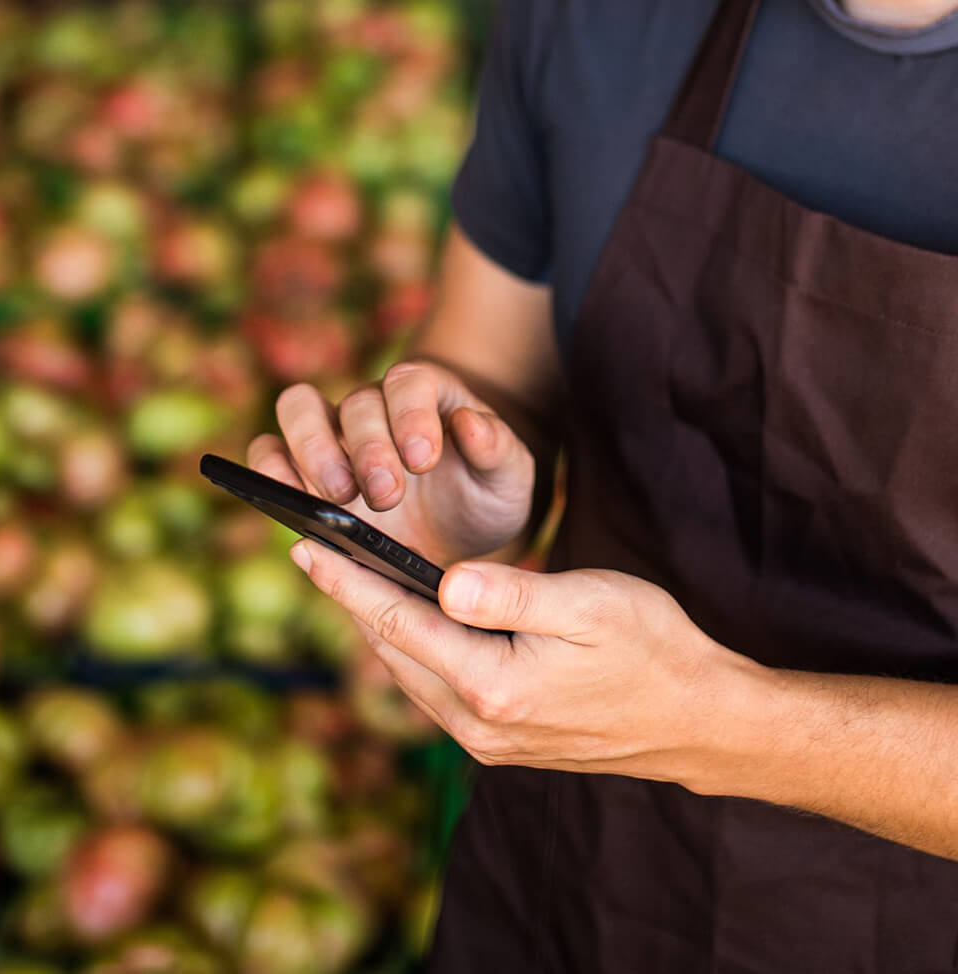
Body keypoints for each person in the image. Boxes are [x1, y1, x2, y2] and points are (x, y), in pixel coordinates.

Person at [250, 0, 958, 968]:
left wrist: (720, 722)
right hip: (572, 878)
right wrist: (445, 475)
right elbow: (486, 356)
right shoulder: (589, 18)